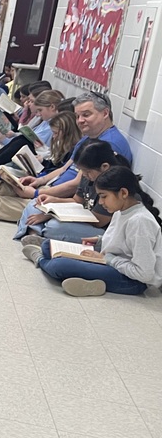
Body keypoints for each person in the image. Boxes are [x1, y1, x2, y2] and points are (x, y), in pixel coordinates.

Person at [21, 166, 162, 296]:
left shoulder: (140, 222)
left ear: (123, 193)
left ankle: (40, 260)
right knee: (47, 246)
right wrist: (100, 241)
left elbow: (144, 274)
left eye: (104, 196)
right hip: (112, 262)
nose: (100, 202)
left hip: (132, 281)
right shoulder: (121, 210)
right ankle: (92, 283)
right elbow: (122, 244)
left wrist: (106, 259)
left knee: (59, 265)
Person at [12, 91, 132, 240]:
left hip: (96, 219)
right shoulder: (88, 139)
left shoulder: (109, 145)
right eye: (77, 116)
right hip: (78, 204)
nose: (80, 121)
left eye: (86, 115)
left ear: (105, 113)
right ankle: (34, 234)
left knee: (52, 225)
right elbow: (74, 189)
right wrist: (50, 199)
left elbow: (98, 216)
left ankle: (36, 234)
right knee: (35, 205)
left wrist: (48, 207)